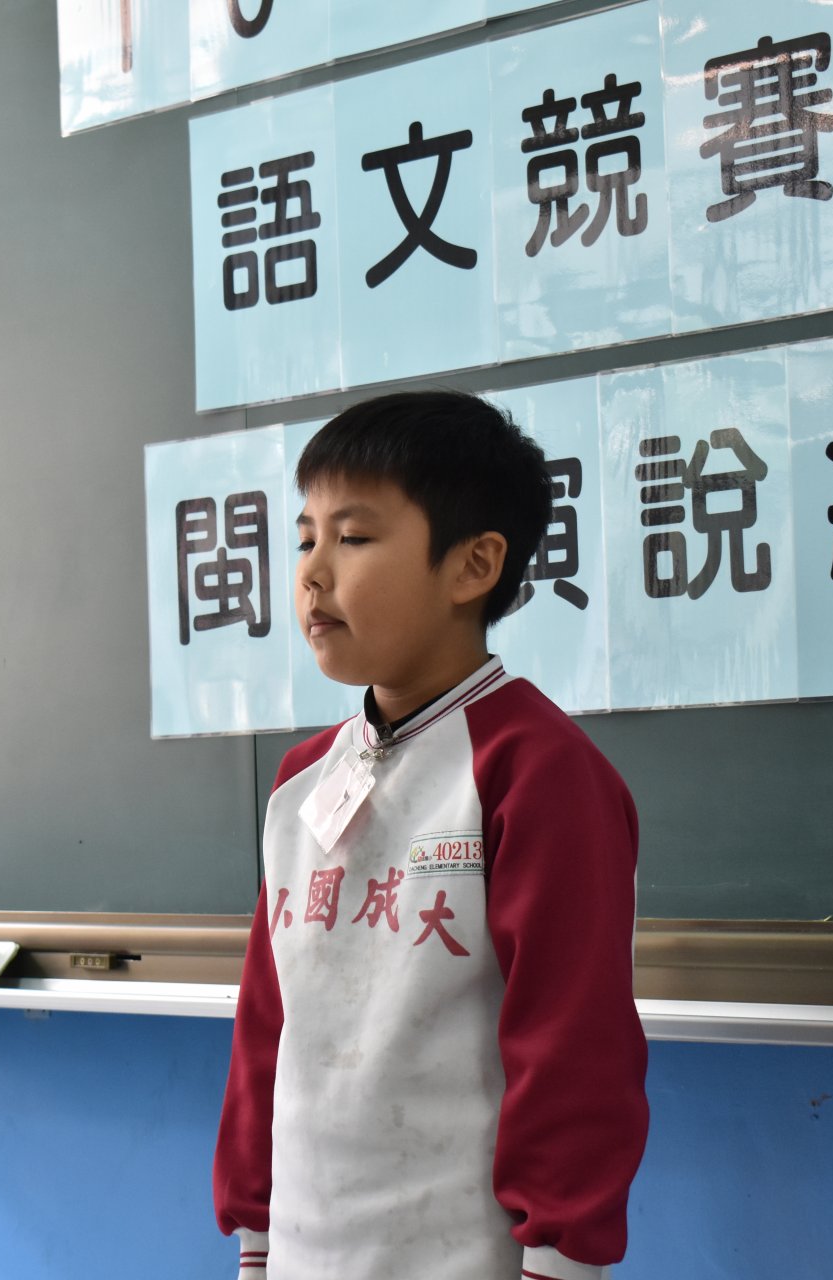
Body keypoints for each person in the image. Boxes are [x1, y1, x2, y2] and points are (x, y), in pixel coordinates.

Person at [213, 390, 648, 1280]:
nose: (312, 573)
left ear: (473, 565)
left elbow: (574, 1049)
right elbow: (267, 1028)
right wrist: (255, 1245)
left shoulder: (537, 772)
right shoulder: (303, 780)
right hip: (302, 1256)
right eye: (305, 538)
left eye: (353, 537)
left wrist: (559, 1262)